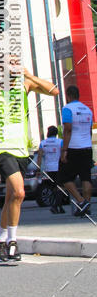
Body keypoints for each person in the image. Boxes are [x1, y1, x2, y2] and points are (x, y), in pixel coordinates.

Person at [0, 66, 59, 263]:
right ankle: (12, 242)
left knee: (12, 196)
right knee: (19, 193)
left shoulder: (24, 86)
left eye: (16, 69)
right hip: (0, 147)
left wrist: (29, 75)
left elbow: (55, 90)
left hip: (20, 149)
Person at [60, 86, 94, 216]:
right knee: (86, 178)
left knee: (65, 177)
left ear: (68, 96)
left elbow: (68, 129)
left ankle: (81, 201)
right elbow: (89, 131)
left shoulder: (67, 108)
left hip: (74, 147)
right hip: (87, 147)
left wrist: (64, 150)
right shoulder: (88, 110)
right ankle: (86, 207)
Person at [36, 125, 64, 214]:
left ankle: (59, 206)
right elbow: (64, 154)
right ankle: (55, 206)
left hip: (48, 168)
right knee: (60, 187)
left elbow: (39, 157)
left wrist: (38, 169)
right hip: (59, 167)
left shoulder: (43, 143)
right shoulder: (60, 142)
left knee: (53, 187)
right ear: (56, 133)